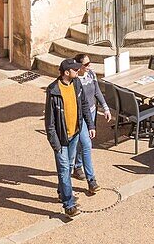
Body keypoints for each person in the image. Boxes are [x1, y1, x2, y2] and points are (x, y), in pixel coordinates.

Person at [44, 58, 95, 220]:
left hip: (75, 133)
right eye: (75, 70)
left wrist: (90, 125)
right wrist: (55, 145)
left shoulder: (77, 84)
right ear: (66, 73)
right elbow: (49, 122)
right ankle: (69, 204)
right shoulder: (53, 91)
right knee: (65, 169)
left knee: (69, 165)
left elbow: (84, 105)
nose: (78, 71)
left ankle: (62, 192)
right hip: (61, 139)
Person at [72, 53, 111, 194]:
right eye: (86, 65)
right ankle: (91, 180)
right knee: (87, 144)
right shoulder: (74, 80)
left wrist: (105, 107)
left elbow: (97, 92)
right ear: (78, 66)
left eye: (90, 63)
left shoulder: (91, 75)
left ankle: (77, 166)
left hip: (92, 113)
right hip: (80, 116)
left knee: (84, 142)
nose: (90, 66)